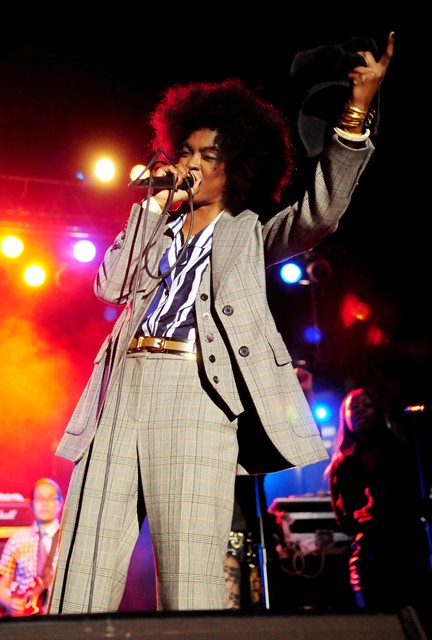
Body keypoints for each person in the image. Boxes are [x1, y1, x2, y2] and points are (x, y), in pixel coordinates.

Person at [49, 32, 394, 614]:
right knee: (80, 576)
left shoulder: (249, 234)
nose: (191, 163)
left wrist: (356, 112)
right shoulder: (153, 227)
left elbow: (321, 212)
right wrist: (153, 206)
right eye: (186, 151)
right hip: (118, 393)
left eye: (209, 155)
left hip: (198, 397)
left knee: (190, 585)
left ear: (237, 168)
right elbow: (109, 286)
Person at [325, 388, 431, 620]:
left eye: (367, 405)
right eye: (353, 407)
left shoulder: (404, 453)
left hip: (408, 550)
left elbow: (418, 499)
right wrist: (361, 516)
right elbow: (344, 519)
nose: (360, 410)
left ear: (379, 411)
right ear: (345, 418)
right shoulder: (342, 465)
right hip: (369, 555)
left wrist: (386, 510)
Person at [0, 478, 63, 617]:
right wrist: (9, 602)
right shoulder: (17, 540)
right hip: (25, 618)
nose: (45, 503)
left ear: (60, 503)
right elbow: (2, 585)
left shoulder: (68, 540)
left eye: (50, 498)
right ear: (31, 504)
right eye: (39, 498)